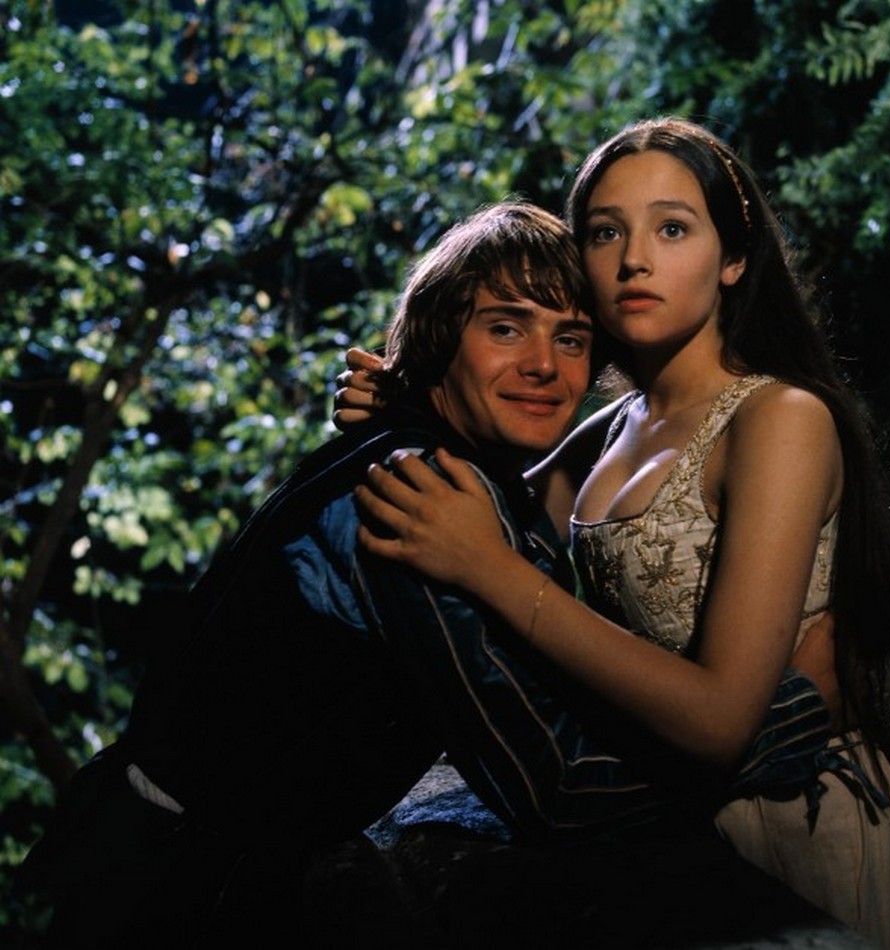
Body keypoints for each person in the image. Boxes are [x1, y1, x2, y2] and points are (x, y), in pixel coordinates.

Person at [19, 200, 837, 948]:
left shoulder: (429, 458)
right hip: (168, 900)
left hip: (174, 864)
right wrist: (798, 709)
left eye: (571, 339)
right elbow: (559, 790)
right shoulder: (419, 494)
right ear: (442, 338)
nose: (545, 365)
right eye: (506, 328)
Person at [348, 118, 890, 949]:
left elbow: (719, 722)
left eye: (671, 229)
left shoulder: (779, 417)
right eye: (605, 233)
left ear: (732, 258)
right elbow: (473, 498)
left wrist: (492, 570)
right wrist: (402, 404)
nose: (634, 259)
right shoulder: (608, 433)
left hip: (797, 834)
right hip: (665, 848)